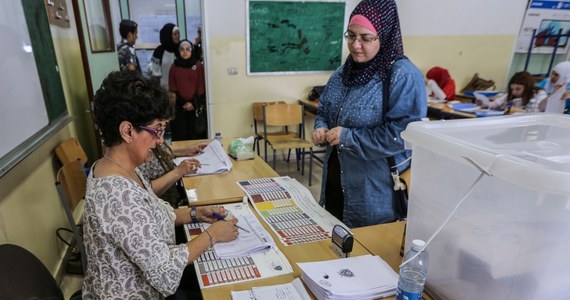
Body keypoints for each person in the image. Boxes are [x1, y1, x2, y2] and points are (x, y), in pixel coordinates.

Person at [83, 70, 238, 298]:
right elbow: (164, 274)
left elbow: (151, 215)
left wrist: (195, 214)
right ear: (127, 131)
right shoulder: (117, 195)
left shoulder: (116, 167)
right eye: (156, 131)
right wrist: (212, 235)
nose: (158, 142)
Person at [311, 0, 427, 228]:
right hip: (335, 186)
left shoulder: (402, 76)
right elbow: (324, 109)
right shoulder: (342, 73)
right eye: (351, 36)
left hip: (372, 195)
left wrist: (348, 138)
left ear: (384, 35)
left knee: (368, 254)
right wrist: (320, 126)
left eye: (365, 38)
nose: (355, 45)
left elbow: (403, 135)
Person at [139, 142, 207, 208]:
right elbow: (145, 192)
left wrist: (185, 150)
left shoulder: (150, 139)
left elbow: (162, 150)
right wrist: (178, 171)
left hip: (176, 197)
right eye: (157, 132)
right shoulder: (134, 156)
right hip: (164, 209)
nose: (161, 140)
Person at [169, 39, 207, 141]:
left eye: (187, 49)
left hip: (195, 108)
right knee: (180, 137)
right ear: (178, 51)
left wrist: (193, 104)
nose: (185, 52)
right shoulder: (174, 67)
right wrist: (183, 103)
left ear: (192, 51)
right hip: (179, 108)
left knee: (195, 138)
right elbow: (173, 88)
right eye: (182, 49)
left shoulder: (198, 66)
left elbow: (201, 88)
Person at [476, 71, 546, 112]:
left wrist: (516, 110)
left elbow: (536, 113)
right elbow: (495, 104)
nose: (514, 92)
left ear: (527, 87)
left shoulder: (539, 94)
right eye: (512, 89)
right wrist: (484, 104)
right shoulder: (511, 95)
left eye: (518, 89)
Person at [149, 23, 181, 89]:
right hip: (164, 90)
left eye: (178, 33)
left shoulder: (181, 49)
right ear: (168, 35)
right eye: (175, 34)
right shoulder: (159, 51)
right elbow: (155, 75)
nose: (178, 36)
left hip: (180, 90)